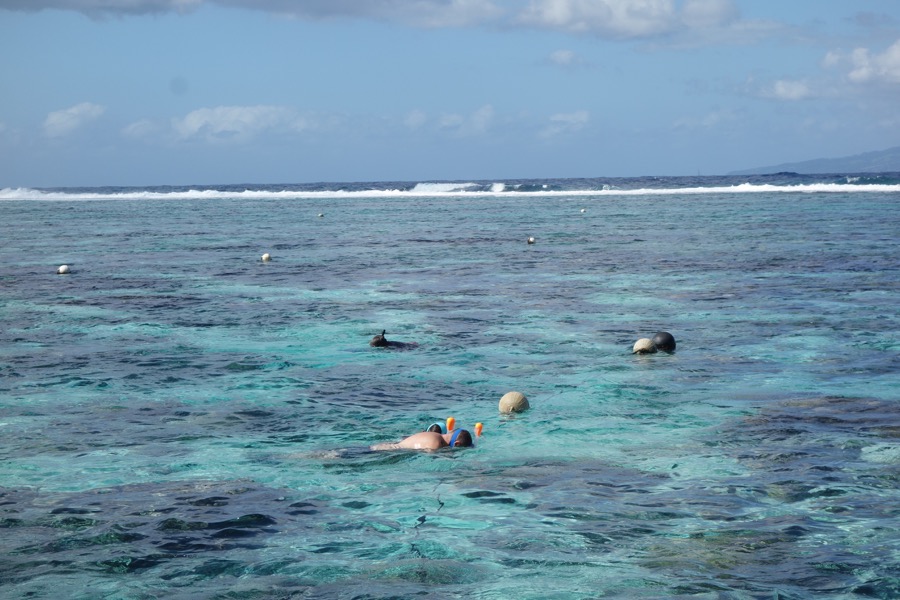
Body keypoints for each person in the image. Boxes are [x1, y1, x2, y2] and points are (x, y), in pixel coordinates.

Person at [371, 428, 474, 451]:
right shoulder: (436, 443)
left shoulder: (434, 434)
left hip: (385, 447)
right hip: (385, 451)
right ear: (456, 444)